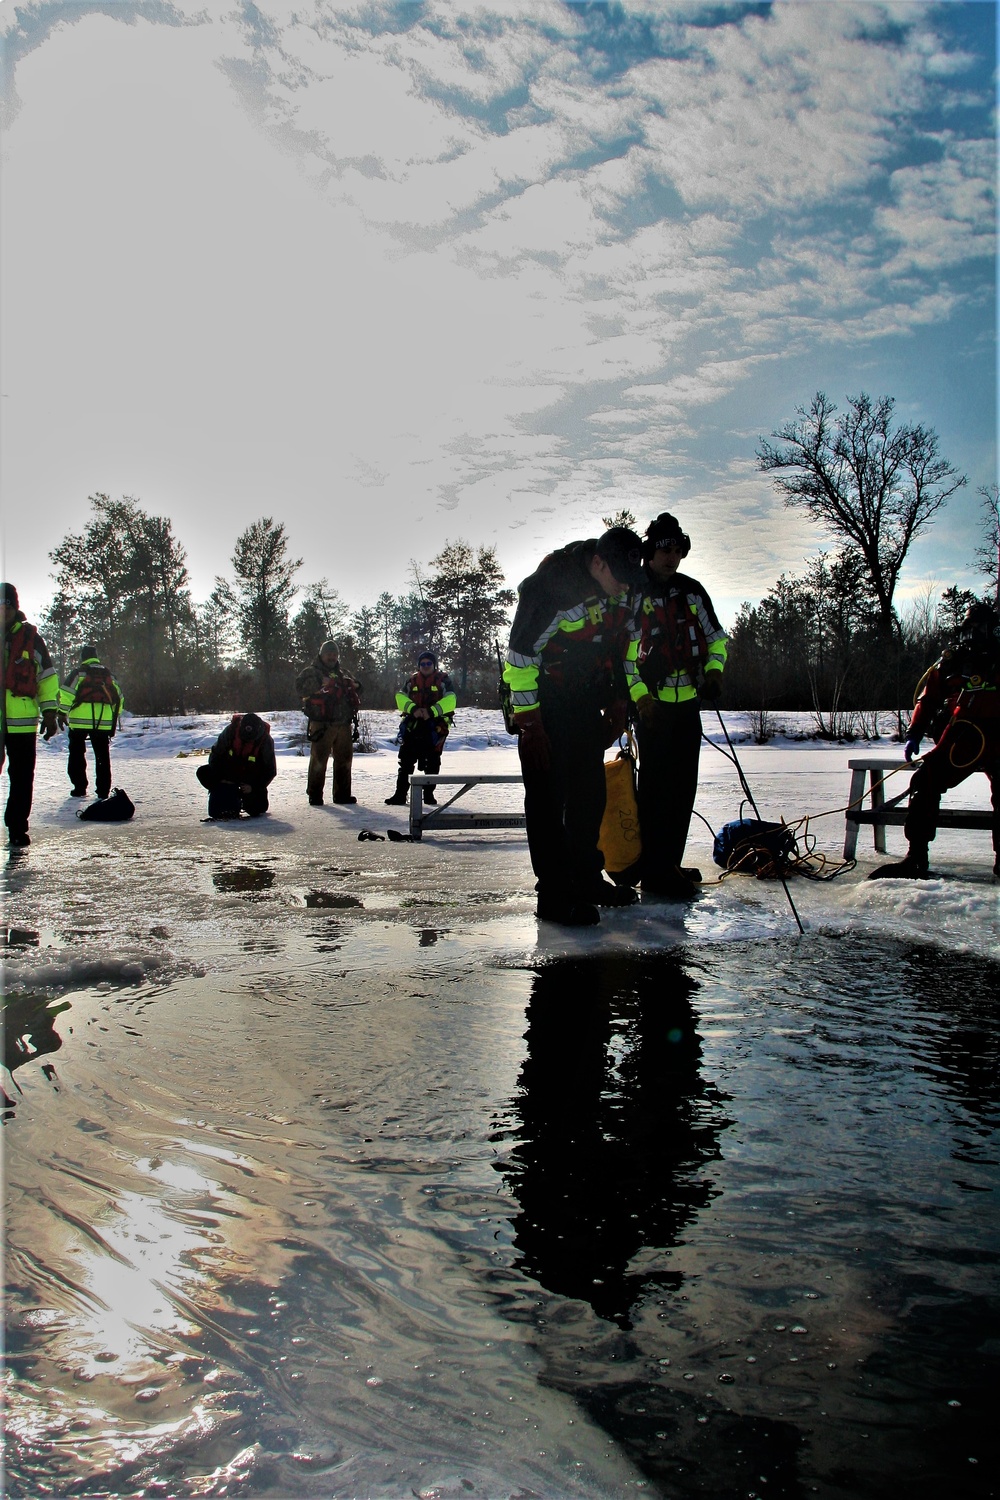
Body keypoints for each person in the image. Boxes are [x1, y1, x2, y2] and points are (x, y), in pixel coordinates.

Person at [503, 527, 645, 926]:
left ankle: (586, 878)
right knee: (548, 799)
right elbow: (519, 657)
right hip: (544, 698)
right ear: (598, 564)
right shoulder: (551, 586)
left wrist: (620, 698)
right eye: (618, 578)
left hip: (587, 698)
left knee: (589, 792)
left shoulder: (628, 586)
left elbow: (625, 648)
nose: (624, 588)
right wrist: (530, 724)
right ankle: (553, 895)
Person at [628, 513, 728, 900]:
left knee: (682, 790)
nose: (671, 557)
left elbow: (716, 640)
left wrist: (715, 674)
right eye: (664, 549)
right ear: (649, 551)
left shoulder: (692, 591)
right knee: (653, 793)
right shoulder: (634, 593)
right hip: (650, 709)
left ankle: (668, 862)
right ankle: (653, 869)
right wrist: (640, 698)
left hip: (687, 707)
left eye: (677, 550)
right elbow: (621, 656)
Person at [869, 601, 1000, 880]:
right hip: (960, 741)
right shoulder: (952, 661)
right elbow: (927, 700)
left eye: (981, 629)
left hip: (998, 740)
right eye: (970, 629)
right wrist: (914, 733)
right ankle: (916, 855)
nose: (974, 635)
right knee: (925, 781)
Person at [2, 583, 59, 848]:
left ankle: (17, 828)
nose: (3, 612)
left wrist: (50, 712)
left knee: (22, 778)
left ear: (15, 608)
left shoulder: (31, 639)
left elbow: (47, 678)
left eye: (7, 607)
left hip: (22, 724)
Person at [385, 649, 456, 806]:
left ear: (434, 665)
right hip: (414, 726)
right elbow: (400, 697)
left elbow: (451, 699)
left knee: (432, 763)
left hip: (434, 728)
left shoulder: (444, 680)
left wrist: (430, 712)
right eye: (422, 664)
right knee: (405, 762)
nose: (425, 666)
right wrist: (414, 710)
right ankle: (400, 795)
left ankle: (429, 795)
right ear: (418, 666)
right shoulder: (411, 681)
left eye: (428, 663)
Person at [295, 640, 361, 806]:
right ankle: (315, 794)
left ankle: (342, 795)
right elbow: (300, 688)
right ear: (321, 654)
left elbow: (360, 688)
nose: (332, 657)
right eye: (328, 654)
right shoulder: (312, 671)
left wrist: (355, 685)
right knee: (319, 759)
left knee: (344, 760)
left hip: (344, 723)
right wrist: (320, 683)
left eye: (334, 654)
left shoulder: (343, 672)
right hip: (322, 724)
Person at [58, 645, 124, 800]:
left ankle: (79, 787)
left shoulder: (78, 673)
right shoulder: (109, 675)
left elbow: (66, 693)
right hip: (103, 722)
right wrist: (113, 716)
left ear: (83, 657)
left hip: (79, 722)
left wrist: (62, 712)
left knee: (76, 754)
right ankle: (103, 790)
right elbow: (119, 698)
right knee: (102, 756)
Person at [196, 712, 277, 819]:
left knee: (258, 808)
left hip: (250, 779)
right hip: (228, 773)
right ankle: (225, 793)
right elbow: (215, 756)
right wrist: (222, 779)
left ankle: (242, 798)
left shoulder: (266, 741)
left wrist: (253, 787)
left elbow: (270, 771)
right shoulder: (230, 731)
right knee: (203, 772)